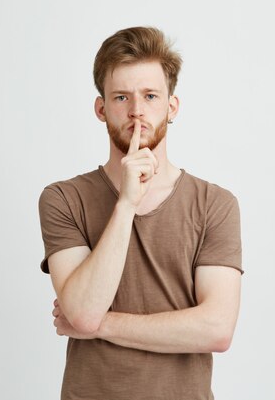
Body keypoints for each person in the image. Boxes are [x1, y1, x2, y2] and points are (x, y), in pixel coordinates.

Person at [38, 26, 243, 400]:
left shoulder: (215, 204)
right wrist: (126, 203)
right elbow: (82, 313)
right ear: (101, 109)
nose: (136, 111)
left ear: (171, 106)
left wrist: (103, 326)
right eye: (121, 97)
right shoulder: (63, 199)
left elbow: (216, 329)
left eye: (150, 95)